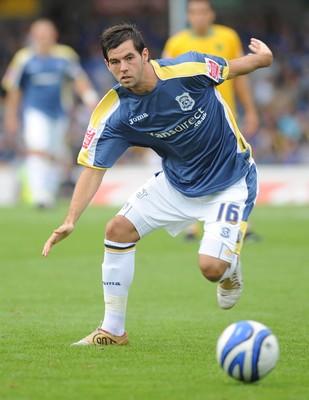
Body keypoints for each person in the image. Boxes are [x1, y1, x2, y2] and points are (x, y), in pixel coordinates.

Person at [42, 23, 273, 346]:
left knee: (211, 268)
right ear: (107, 65)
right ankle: (112, 330)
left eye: (129, 58)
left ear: (145, 55)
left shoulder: (187, 69)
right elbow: (94, 169)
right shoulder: (115, 113)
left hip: (230, 179)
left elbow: (235, 67)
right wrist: (69, 220)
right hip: (176, 183)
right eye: (114, 62)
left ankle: (229, 267)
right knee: (117, 230)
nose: (123, 68)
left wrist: (264, 59)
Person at [162, 0, 260, 241]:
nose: (198, 17)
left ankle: (239, 222)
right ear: (188, 16)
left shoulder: (228, 37)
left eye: (203, 11)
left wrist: (250, 110)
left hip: (225, 116)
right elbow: (163, 80)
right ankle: (193, 226)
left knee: (239, 166)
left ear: (211, 14)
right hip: (192, 121)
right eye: (194, 12)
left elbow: (240, 77)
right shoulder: (176, 43)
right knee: (194, 167)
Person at [1, 19, 99, 208]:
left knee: (56, 152)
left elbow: (79, 79)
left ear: (55, 36)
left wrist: (90, 99)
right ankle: (39, 194)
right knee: (39, 146)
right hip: (34, 112)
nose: (43, 38)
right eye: (39, 34)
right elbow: (13, 89)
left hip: (60, 112)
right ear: (33, 36)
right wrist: (11, 116)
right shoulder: (24, 58)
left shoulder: (65, 56)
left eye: (47, 34)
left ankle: (49, 191)